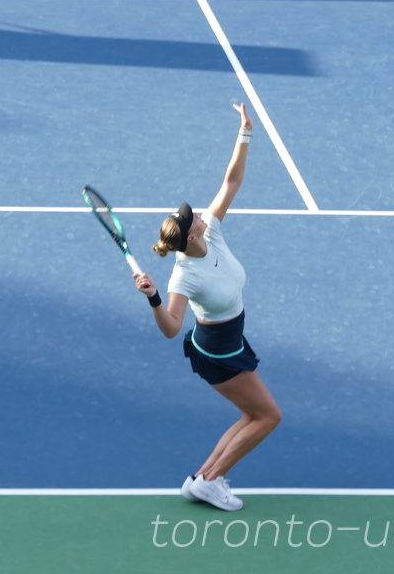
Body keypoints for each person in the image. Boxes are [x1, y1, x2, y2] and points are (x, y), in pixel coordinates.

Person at [133, 103, 281, 511]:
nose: (197, 213)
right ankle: (210, 481)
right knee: (268, 417)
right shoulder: (184, 276)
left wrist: (245, 133)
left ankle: (201, 479)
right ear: (188, 237)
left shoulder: (210, 232)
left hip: (229, 339)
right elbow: (170, 328)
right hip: (218, 352)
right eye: (191, 217)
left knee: (255, 415)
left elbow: (231, 181)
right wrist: (153, 297)